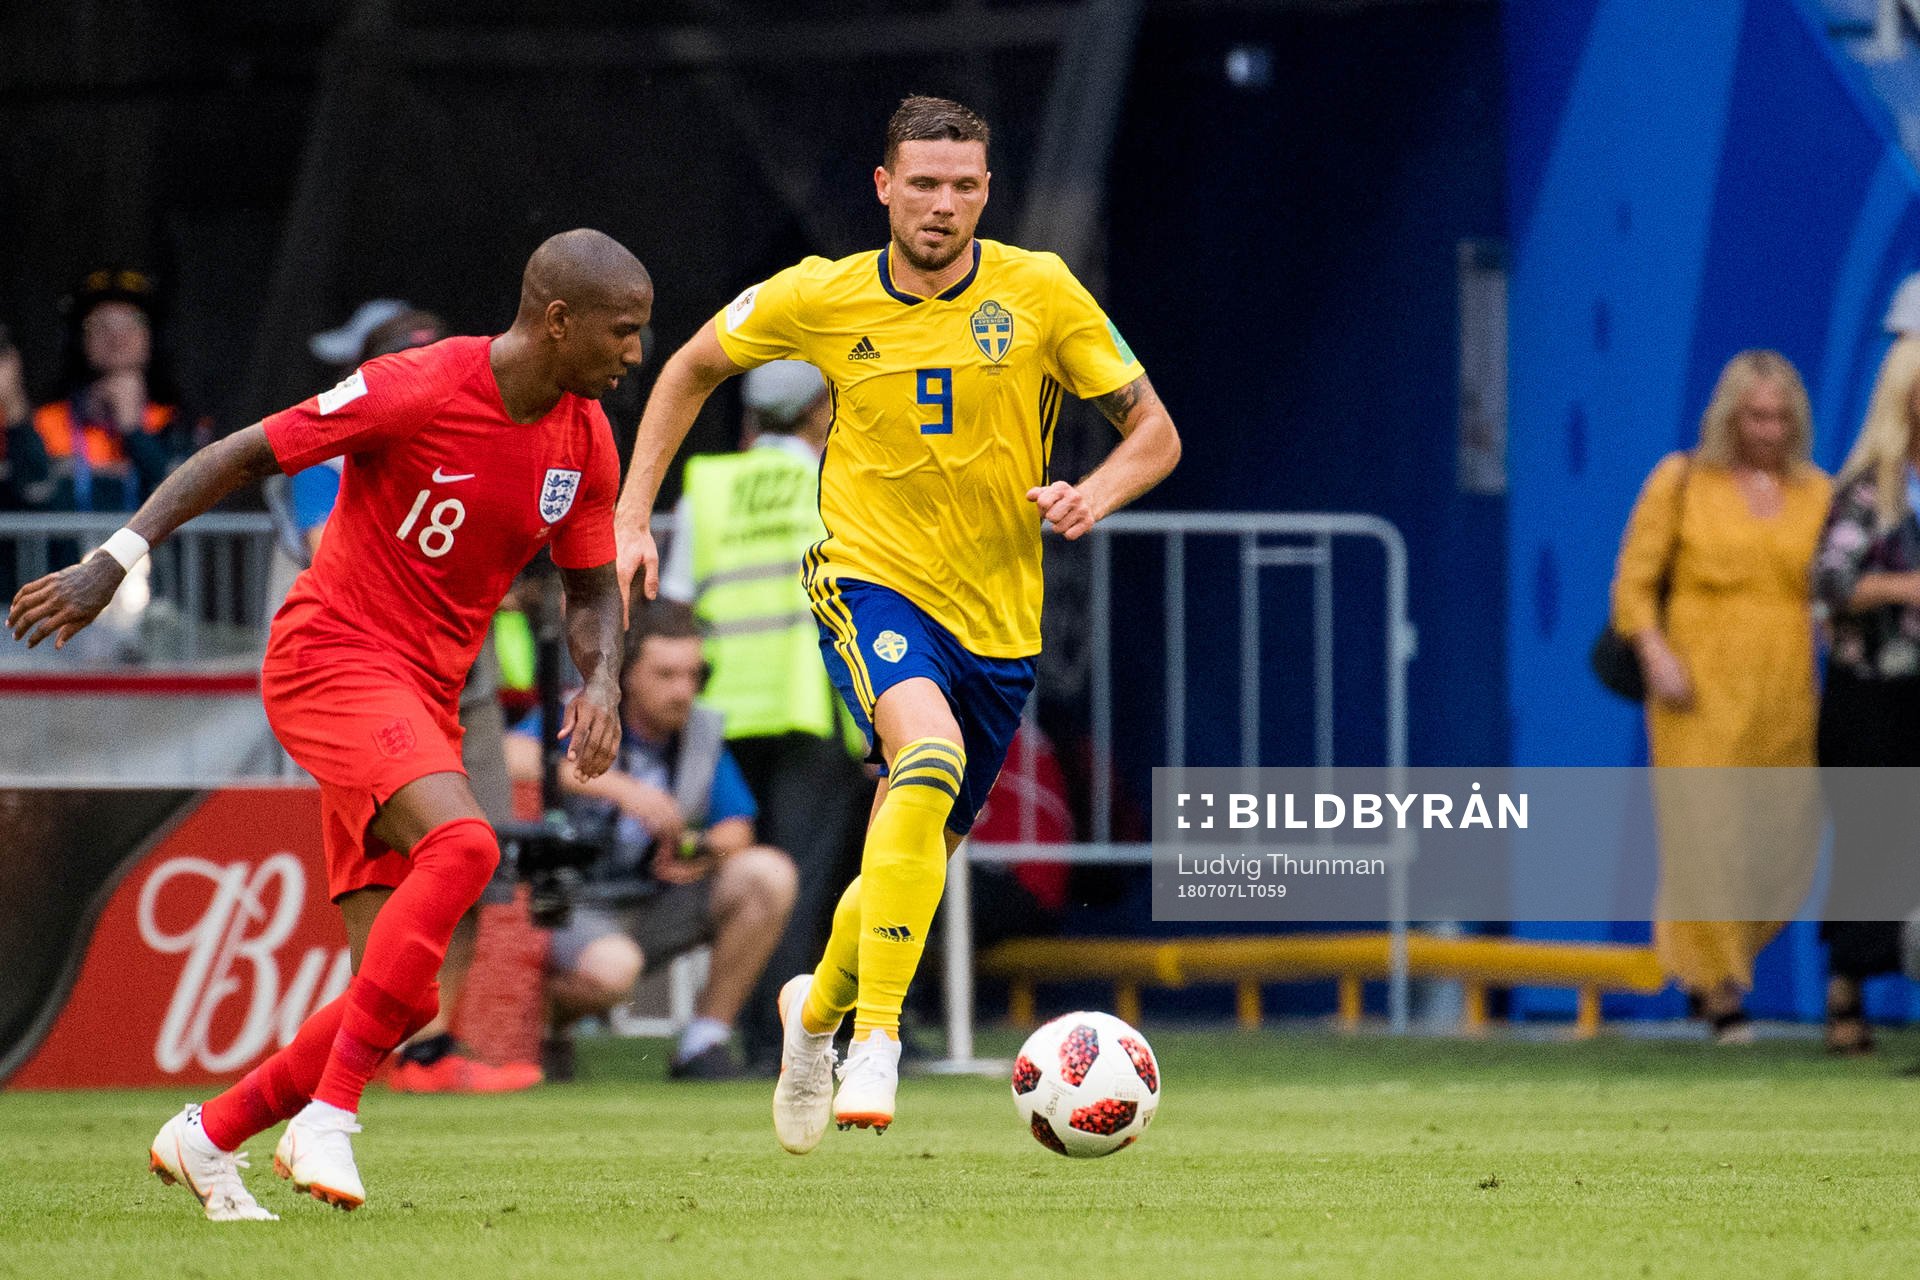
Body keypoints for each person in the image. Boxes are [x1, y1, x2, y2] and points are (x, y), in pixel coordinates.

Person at [8, 228, 649, 1219]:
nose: (635, 353)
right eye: (624, 330)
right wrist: (115, 558)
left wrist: (600, 681)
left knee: (400, 995)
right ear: (559, 321)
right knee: (467, 844)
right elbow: (239, 453)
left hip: (426, 696)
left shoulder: (586, 438)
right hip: (333, 659)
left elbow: (591, 584)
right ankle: (328, 1116)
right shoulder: (420, 385)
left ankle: (208, 1135)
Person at [615, 96, 1181, 1151]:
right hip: (870, 584)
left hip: (999, 625)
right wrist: (631, 513)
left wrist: (1095, 492)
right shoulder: (821, 294)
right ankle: (875, 1038)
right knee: (926, 755)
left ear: (987, 193)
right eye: (922, 183)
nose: (942, 204)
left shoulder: (1041, 290)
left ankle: (813, 1015)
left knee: (903, 860)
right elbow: (689, 365)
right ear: (884, 188)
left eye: (963, 185)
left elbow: (1154, 430)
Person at [1608, 350, 1830, 1043]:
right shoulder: (1681, 481)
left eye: (1780, 417)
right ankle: (1722, 990)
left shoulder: (1817, 493)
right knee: (1707, 837)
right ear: (1730, 417)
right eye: (1755, 416)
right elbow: (1634, 582)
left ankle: (1710, 963)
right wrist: (1655, 652)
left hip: (1785, 689)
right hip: (1697, 688)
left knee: (1786, 840)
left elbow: (1829, 586)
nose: (1768, 430)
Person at [658, 359, 872, 1070]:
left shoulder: (710, 487)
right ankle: (791, 1037)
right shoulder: (836, 481)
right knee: (802, 882)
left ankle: (748, 1030)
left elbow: (679, 604)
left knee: (747, 868)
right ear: (817, 411)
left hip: (721, 712)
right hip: (809, 706)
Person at [506, 601, 798, 1080]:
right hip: (566, 904)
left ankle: (704, 1041)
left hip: (646, 899)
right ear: (625, 676)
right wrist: (622, 790)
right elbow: (512, 756)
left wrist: (694, 849)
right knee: (613, 968)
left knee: (768, 873)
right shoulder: (582, 711)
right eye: (666, 675)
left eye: (693, 675)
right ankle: (524, 1029)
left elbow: (737, 830)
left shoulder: (700, 731)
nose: (683, 691)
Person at [1811, 335, 1920, 1056]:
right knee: (1873, 842)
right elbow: (1828, 582)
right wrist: (1904, 587)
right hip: (1873, 697)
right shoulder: (1866, 491)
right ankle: (1845, 984)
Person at [20, 268, 202, 513]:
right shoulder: (45, 422)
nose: (117, 337)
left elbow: (191, 505)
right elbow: (29, 497)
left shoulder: (180, 423)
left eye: (132, 322)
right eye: (100, 325)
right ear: (77, 340)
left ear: (154, 338)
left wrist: (134, 432)